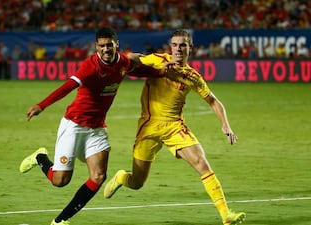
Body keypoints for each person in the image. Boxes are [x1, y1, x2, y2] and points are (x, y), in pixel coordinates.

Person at [18, 27, 162, 225]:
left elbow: (136, 70)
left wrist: (162, 72)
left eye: (109, 45)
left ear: (116, 44)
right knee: (60, 181)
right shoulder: (90, 66)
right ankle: (40, 157)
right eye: (101, 46)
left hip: (96, 128)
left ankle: (60, 221)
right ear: (96, 47)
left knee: (98, 176)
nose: (105, 49)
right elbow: (68, 86)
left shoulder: (123, 61)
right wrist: (41, 105)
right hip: (74, 125)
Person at [103, 29, 246, 225]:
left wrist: (226, 125)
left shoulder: (192, 76)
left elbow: (214, 101)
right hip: (149, 127)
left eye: (183, 45)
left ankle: (226, 215)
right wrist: (135, 57)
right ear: (171, 46)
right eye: (175, 45)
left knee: (201, 163)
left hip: (174, 127)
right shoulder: (157, 60)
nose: (178, 49)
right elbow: (130, 59)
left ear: (190, 47)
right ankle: (121, 178)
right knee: (137, 182)